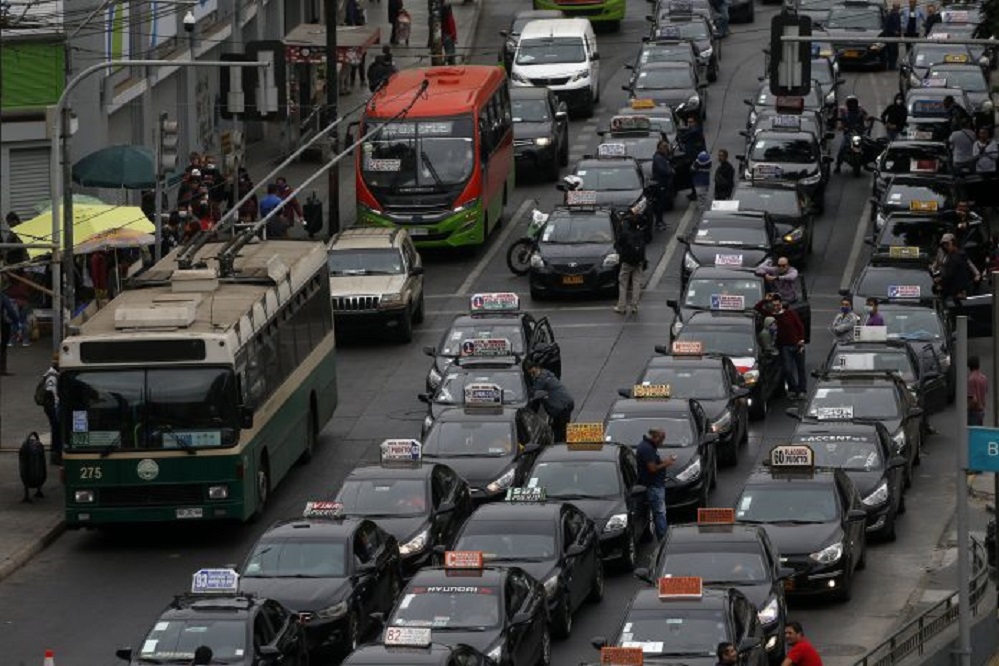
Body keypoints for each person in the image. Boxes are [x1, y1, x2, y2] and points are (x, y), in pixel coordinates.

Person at [635, 428, 678, 541]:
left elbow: (654, 463)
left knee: (659, 511)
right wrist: (667, 463)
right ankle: (663, 537)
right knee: (660, 512)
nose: (662, 443)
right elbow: (652, 468)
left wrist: (664, 461)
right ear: (655, 437)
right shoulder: (647, 449)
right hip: (654, 486)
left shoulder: (648, 447)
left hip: (655, 484)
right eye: (661, 439)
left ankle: (662, 534)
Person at [524, 360, 574, 442]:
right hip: (565, 404)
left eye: (533, 373)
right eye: (530, 374)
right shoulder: (545, 373)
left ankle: (559, 447)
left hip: (562, 407)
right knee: (561, 429)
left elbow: (532, 392)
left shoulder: (542, 379)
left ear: (537, 368)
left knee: (559, 432)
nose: (532, 376)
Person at [770, 295, 808, 400]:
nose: (776, 307)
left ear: (781, 304)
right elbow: (758, 308)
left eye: (778, 305)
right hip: (785, 346)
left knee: (801, 369)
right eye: (774, 305)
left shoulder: (790, 313)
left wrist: (801, 340)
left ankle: (802, 391)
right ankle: (794, 389)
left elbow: (800, 326)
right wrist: (766, 299)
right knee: (787, 369)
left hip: (797, 344)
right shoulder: (772, 317)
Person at [614, 209, 647, 315]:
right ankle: (634, 306)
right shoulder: (641, 233)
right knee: (636, 283)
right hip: (638, 261)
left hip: (627, 261)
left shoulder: (625, 234)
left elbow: (618, 245)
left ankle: (621, 306)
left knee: (623, 283)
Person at [835, 96, 870, 173]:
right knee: (842, 148)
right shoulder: (845, 113)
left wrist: (868, 120)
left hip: (860, 133)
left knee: (867, 147)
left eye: (854, 103)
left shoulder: (860, 111)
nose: (852, 105)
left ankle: (866, 164)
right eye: (851, 103)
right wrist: (841, 127)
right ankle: (838, 165)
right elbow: (841, 123)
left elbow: (866, 117)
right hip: (849, 134)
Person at [935, 232, 975, 300]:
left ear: (953, 243)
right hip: (955, 290)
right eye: (944, 245)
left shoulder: (956, 256)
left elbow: (949, 274)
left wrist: (941, 282)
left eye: (947, 244)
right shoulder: (947, 255)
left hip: (956, 292)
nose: (945, 247)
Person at [42, 352, 61, 465]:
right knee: (56, 431)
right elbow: (52, 393)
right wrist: (56, 408)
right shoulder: (52, 376)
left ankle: (56, 453)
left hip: (52, 406)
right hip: (52, 407)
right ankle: (55, 454)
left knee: (56, 430)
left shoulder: (52, 373)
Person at [652, 140, 674, 229]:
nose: (666, 148)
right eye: (664, 147)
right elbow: (662, 170)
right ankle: (658, 222)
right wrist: (670, 171)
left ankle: (660, 221)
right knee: (659, 204)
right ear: (659, 148)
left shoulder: (663, 157)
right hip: (660, 184)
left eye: (667, 146)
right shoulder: (658, 158)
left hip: (664, 183)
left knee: (662, 204)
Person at [0, 285, 21, 375]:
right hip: (1, 324)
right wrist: (16, 322)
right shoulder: (2, 296)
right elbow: (10, 310)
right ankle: (2, 370)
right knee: (2, 347)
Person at [968, 356, 988, 426]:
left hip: (974, 411)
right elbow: (985, 392)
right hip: (982, 410)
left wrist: (968, 409)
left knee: (972, 434)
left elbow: (974, 399)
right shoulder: (984, 378)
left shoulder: (971, 379)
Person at [884, 3, 901, 70]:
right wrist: (894, 31)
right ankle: (891, 66)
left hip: (896, 37)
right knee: (891, 52)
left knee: (895, 52)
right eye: (897, 7)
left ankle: (893, 65)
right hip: (891, 36)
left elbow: (898, 25)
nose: (898, 9)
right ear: (894, 7)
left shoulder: (897, 15)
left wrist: (899, 34)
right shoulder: (890, 15)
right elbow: (887, 26)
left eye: (898, 7)